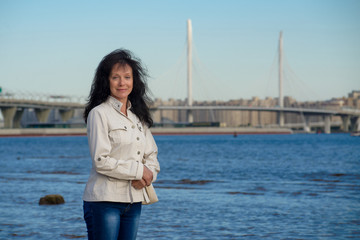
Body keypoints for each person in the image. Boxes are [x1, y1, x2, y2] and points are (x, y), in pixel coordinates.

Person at [82, 49, 160, 240]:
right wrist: (139, 172)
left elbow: (152, 157)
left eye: (127, 77)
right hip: (104, 200)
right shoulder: (99, 114)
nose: (122, 83)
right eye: (115, 77)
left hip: (133, 201)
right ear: (106, 80)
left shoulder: (137, 117)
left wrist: (148, 176)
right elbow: (101, 161)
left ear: (134, 81)